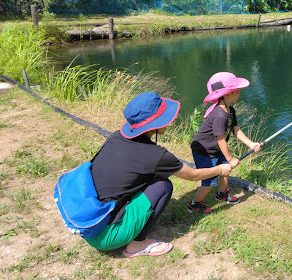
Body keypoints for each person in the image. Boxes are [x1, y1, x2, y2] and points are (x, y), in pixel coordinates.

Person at [86, 92, 234, 258]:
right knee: (163, 185)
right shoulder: (155, 155)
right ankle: (137, 244)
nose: (169, 122)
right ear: (154, 124)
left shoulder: (116, 137)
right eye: (165, 118)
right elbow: (192, 175)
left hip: (89, 222)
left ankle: (130, 225)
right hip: (106, 235)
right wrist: (221, 169)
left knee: (149, 179)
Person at [188, 72, 261, 214]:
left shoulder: (230, 110)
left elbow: (236, 130)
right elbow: (220, 139)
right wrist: (230, 158)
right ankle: (195, 204)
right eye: (236, 91)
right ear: (227, 95)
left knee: (225, 170)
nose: (239, 93)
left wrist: (251, 144)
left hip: (214, 148)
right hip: (203, 151)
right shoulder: (219, 115)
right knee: (209, 181)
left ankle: (222, 194)